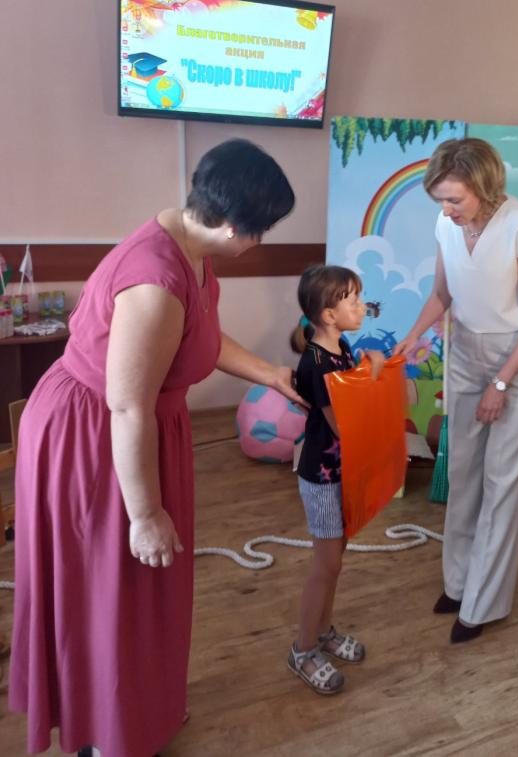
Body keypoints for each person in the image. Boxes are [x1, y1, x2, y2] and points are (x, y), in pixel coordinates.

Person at [10, 138, 302, 757]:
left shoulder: (190, 248)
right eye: (261, 231)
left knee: (142, 591)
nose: (260, 243)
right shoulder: (155, 279)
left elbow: (198, 337)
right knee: (109, 586)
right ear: (231, 225)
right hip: (96, 438)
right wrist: (143, 513)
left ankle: (139, 709)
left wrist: (271, 374)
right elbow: (126, 405)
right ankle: (102, 732)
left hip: (134, 427)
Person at [395, 138, 518, 644]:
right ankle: (459, 584)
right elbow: (442, 294)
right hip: (466, 353)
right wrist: (412, 336)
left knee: (502, 482)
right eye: (441, 199)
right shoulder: (447, 223)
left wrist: (501, 382)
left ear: (484, 187)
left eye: (454, 199)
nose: (446, 209)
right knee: (462, 474)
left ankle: (482, 603)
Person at [288, 265, 383, 695]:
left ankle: (323, 632)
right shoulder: (317, 364)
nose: (362, 307)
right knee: (325, 567)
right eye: (354, 301)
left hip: (341, 472)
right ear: (329, 315)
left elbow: (350, 389)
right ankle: (303, 649)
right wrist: (375, 375)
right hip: (323, 479)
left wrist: (364, 366)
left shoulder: (340, 347)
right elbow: (344, 425)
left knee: (335, 561)